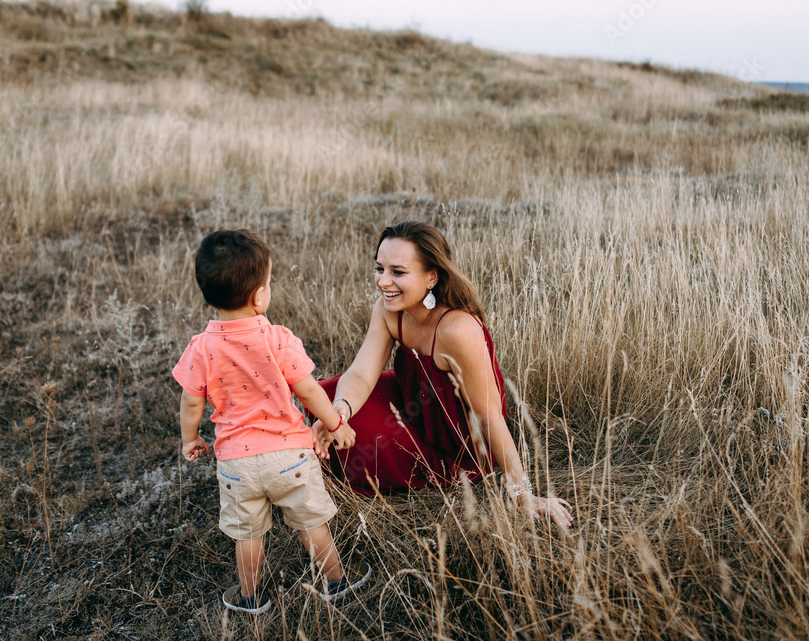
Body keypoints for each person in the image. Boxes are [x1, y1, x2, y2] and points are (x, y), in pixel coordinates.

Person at [313, 221, 574, 527]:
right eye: (379, 268)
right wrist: (339, 414)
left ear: (431, 277)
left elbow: (488, 414)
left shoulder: (457, 330)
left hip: (453, 439)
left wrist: (521, 492)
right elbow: (359, 375)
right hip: (412, 402)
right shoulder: (387, 310)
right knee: (329, 396)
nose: (383, 282)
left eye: (398, 272)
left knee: (367, 442)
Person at [172, 229, 371, 615]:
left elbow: (190, 401)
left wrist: (190, 438)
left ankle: (250, 597)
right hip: (289, 456)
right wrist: (335, 423)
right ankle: (336, 581)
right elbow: (310, 392)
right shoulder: (278, 339)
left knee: (247, 534)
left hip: (235, 464)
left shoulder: (200, 348)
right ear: (259, 295)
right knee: (310, 521)